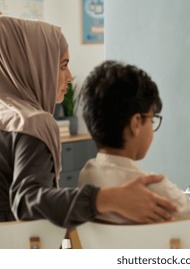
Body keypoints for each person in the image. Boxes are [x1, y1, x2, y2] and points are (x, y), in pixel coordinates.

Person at [0, 16, 177, 227]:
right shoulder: (32, 123)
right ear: (34, 64)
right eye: (63, 65)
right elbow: (27, 202)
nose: (70, 76)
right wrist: (109, 198)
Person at [79, 60, 190, 239]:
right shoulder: (151, 186)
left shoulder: (89, 176)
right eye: (152, 120)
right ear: (136, 123)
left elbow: (176, 209)